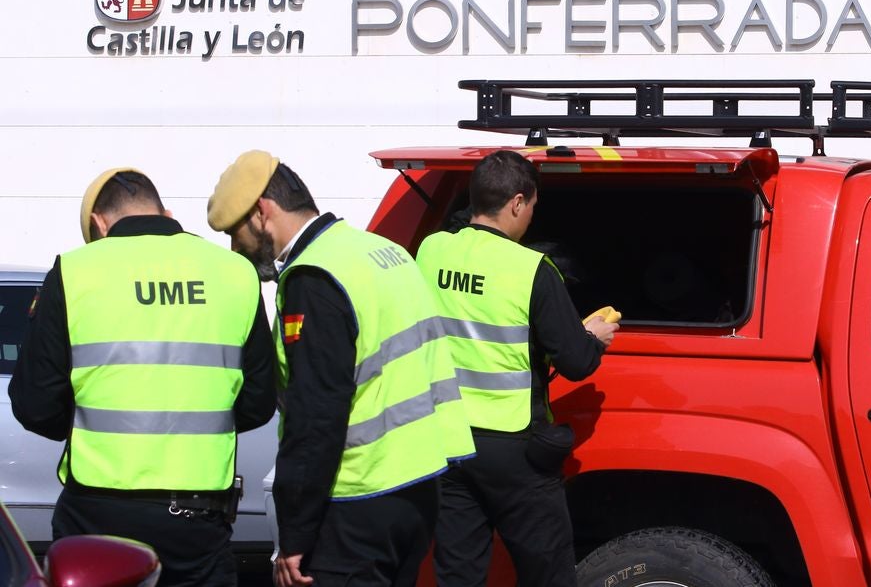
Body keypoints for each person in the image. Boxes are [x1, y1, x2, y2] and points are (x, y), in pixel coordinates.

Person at [206, 150, 474, 587]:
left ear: (261, 212)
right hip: (418, 489)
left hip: (356, 500)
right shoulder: (382, 251)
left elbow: (316, 417)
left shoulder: (315, 277)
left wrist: (295, 535)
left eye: (235, 232)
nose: (235, 248)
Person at [9, 167, 276, 586]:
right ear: (166, 212)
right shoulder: (234, 273)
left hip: (99, 514)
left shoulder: (75, 270)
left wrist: (95, 426)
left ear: (98, 224)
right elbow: (260, 401)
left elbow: (35, 404)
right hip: (197, 519)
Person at [415, 149, 619, 587]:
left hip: (447, 440)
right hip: (513, 450)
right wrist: (594, 337)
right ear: (517, 203)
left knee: (457, 573)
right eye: (532, 207)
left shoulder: (430, 251)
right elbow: (576, 361)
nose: (530, 219)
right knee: (548, 574)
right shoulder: (531, 270)